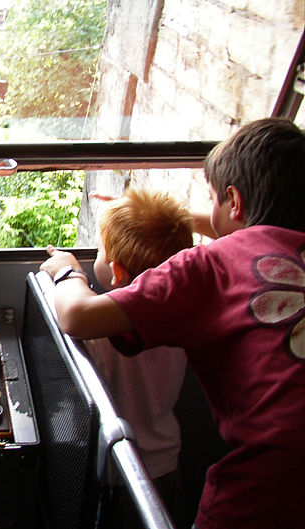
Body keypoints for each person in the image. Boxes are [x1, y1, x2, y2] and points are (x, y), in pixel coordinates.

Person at [40, 118, 305, 529]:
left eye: (213, 199)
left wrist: (67, 272)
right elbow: (245, 235)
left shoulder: (207, 268)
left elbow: (76, 316)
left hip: (267, 480)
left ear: (233, 202)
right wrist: (161, 221)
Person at [83, 187, 191, 528]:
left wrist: (66, 273)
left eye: (99, 250)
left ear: (117, 272)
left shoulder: (101, 327)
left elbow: (72, 312)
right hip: (168, 466)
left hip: (120, 471)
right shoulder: (185, 315)